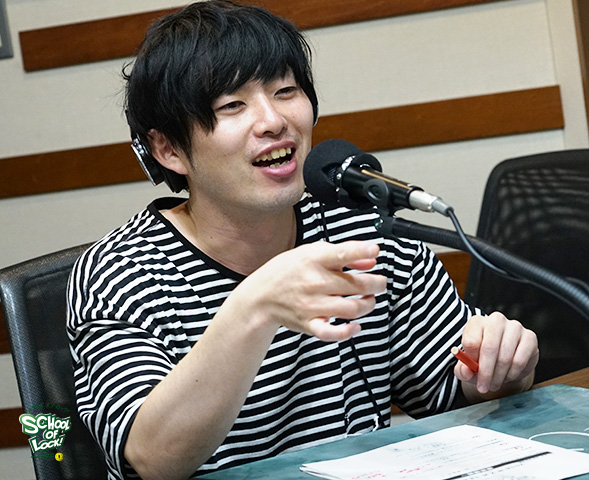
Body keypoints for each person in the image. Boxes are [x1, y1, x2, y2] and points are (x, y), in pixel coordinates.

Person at [67, 1, 539, 479]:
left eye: (285, 91)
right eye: (232, 105)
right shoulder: (122, 273)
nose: (273, 121)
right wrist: (255, 307)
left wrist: (498, 369)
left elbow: (449, 391)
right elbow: (152, 458)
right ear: (168, 149)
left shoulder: (360, 229)